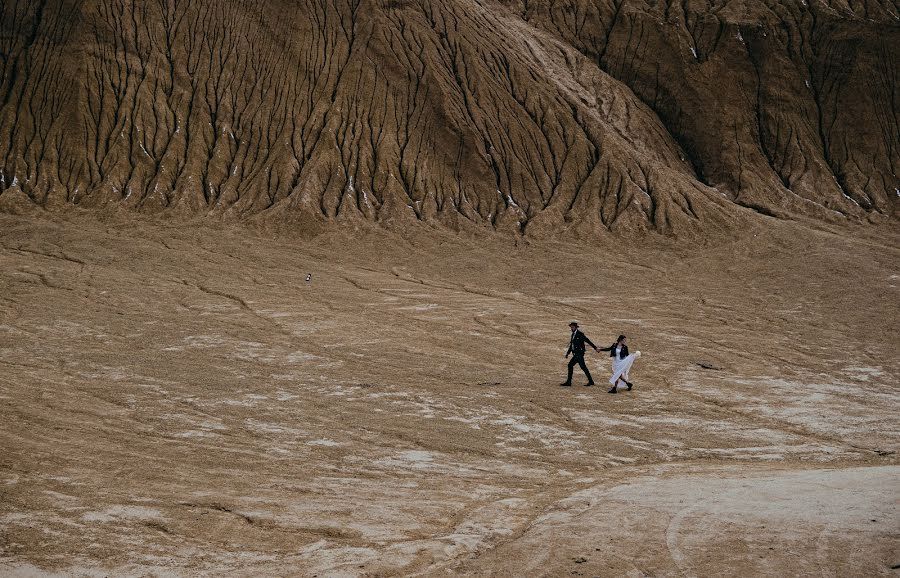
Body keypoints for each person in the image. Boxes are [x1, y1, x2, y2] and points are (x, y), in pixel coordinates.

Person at [561, 322, 599, 386]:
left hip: (579, 354)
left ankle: (569, 382)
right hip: (576, 354)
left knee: (570, 365)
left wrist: (595, 348)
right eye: (571, 327)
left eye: (572, 327)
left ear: (576, 327)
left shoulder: (580, 334)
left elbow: (587, 341)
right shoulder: (573, 335)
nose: (571, 328)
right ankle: (591, 381)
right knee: (583, 367)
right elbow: (572, 345)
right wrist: (568, 353)